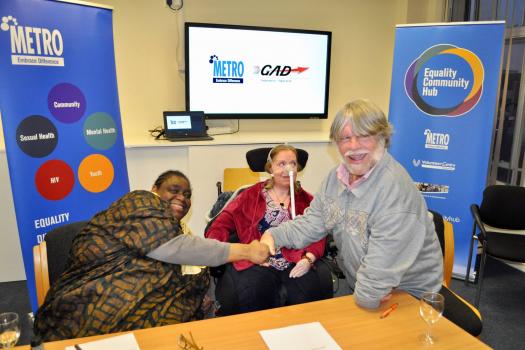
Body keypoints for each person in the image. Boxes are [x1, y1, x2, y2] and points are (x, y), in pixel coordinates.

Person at [34, 170, 269, 341]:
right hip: (89, 308)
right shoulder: (140, 203)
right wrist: (245, 250)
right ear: (154, 189)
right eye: (174, 190)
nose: (182, 198)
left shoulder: (177, 230)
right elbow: (174, 248)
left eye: (187, 195)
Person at [260, 100, 443, 309]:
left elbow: (378, 275)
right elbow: (313, 222)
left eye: (364, 135)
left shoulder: (395, 191)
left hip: (407, 295)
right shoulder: (336, 177)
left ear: (383, 138)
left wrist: (365, 294)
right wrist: (274, 235)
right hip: (365, 288)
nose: (353, 146)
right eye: (345, 138)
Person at [205, 144, 328, 313]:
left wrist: (309, 258)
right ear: (270, 168)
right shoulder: (251, 195)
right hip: (258, 259)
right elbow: (221, 223)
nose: (288, 169)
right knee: (255, 292)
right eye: (281, 164)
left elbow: (319, 232)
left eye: (292, 164)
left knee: (309, 293)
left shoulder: (308, 200)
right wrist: (217, 249)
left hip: (295, 259)